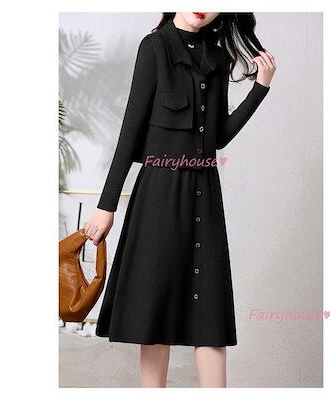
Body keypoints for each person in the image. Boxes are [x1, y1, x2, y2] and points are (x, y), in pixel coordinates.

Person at [85, 12, 276, 388]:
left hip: (205, 195)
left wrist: (260, 88)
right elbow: (130, 130)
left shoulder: (217, 58)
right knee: (156, 312)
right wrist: (106, 205)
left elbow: (218, 136)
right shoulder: (154, 48)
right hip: (159, 195)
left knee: (211, 314)